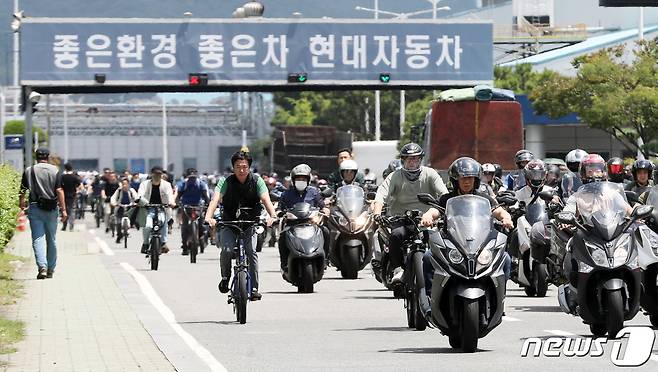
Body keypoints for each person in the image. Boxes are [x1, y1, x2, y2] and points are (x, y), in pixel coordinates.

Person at [421, 157, 514, 293]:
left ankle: (499, 300)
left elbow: (500, 212)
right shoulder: (447, 199)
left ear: (475, 180)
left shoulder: (484, 198)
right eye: (463, 178)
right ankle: (430, 299)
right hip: (453, 242)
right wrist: (428, 216)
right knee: (429, 257)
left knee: (505, 259)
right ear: (455, 180)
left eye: (470, 178)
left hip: (480, 242)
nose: (467, 182)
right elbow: (434, 211)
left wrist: (507, 218)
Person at [204, 151, 276, 301]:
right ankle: (225, 277)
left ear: (249, 167)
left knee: (251, 252)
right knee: (227, 250)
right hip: (229, 222)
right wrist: (208, 217)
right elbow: (215, 199)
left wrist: (272, 216)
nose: (241, 170)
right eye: (238, 167)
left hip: (250, 223)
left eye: (244, 167)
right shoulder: (225, 181)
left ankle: (254, 288)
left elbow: (265, 199)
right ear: (233, 168)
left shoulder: (257, 181)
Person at [372, 143, 449, 284]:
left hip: (426, 220)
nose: (413, 162)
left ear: (420, 159)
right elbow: (381, 195)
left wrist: (441, 211)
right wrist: (377, 214)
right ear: (403, 160)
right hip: (401, 219)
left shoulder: (430, 174)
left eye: (416, 158)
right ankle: (397, 269)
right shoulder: (395, 176)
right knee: (396, 235)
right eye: (409, 159)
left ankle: (440, 272)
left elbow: (444, 195)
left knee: (438, 240)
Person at [18, 148, 67, 279]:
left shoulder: (29, 170)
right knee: (51, 239)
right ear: (48, 157)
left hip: (35, 207)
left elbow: (22, 190)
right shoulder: (55, 170)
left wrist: (21, 203)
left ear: (36, 156)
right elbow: (59, 190)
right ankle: (51, 268)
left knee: (37, 239)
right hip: (51, 209)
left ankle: (42, 267)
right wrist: (63, 210)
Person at [278, 164, 330, 272]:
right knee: (283, 235)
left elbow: (321, 205)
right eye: (298, 179)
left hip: (311, 223)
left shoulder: (314, 192)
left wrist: (325, 209)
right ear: (293, 180)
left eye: (303, 179)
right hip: (292, 224)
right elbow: (280, 208)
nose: (301, 181)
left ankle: (325, 258)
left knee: (325, 231)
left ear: (308, 180)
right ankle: (284, 262)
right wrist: (279, 213)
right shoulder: (286, 194)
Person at [137, 166, 176, 254]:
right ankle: (146, 243)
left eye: (159, 174)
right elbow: (140, 195)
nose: (157, 176)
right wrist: (140, 201)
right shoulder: (144, 184)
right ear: (151, 174)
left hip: (162, 208)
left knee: (163, 222)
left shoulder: (166, 185)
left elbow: (170, 195)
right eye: (155, 174)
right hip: (148, 208)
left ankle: (163, 243)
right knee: (147, 226)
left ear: (162, 175)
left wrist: (172, 203)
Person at [177, 168, 210, 255]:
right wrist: (177, 204)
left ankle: (201, 236)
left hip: (198, 206)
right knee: (184, 227)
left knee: (201, 224)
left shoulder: (201, 184)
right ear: (187, 177)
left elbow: (206, 196)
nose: (192, 179)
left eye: (194, 177)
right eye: (190, 177)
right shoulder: (183, 184)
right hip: (186, 206)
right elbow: (178, 196)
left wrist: (208, 205)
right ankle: (184, 246)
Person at [110, 178, 138, 243]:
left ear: (128, 184)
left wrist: (136, 203)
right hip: (120, 207)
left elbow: (136, 197)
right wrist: (114, 203)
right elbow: (113, 198)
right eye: (123, 184)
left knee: (133, 218)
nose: (124, 185)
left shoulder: (131, 190)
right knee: (119, 223)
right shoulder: (119, 190)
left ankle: (130, 228)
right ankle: (119, 236)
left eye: (126, 184)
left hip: (130, 207)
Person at [60, 163, 81, 232]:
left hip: (64, 195)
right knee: (72, 210)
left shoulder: (63, 177)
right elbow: (78, 184)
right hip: (72, 196)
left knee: (64, 210)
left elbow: (60, 186)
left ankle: (64, 226)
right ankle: (71, 226)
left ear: (65, 169)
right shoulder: (75, 177)